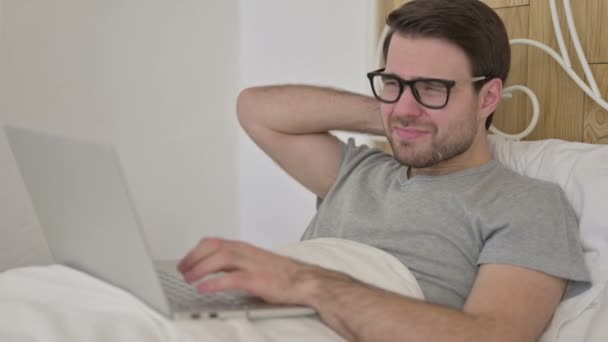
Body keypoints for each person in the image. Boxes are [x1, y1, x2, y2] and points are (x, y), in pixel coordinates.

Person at [178, 0, 589, 341]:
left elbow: (491, 336)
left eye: (432, 88)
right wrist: (403, 118)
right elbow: (255, 109)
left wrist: (306, 282)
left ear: (488, 98)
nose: (406, 106)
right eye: (392, 83)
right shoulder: (358, 170)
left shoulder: (526, 203)